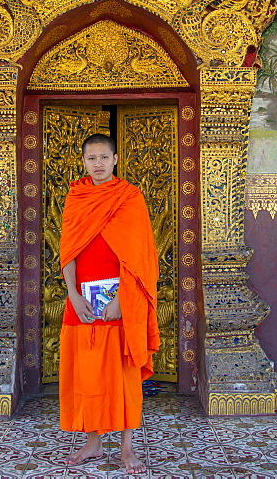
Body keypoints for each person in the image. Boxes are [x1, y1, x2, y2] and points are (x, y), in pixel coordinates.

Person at [60, 133, 159, 475]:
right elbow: (68, 250)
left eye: (104, 157)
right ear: (83, 161)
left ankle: (127, 449)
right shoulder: (77, 196)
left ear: (115, 159)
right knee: (86, 373)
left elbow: (140, 256)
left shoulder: (129, 197)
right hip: (82, 300)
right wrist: (72, 293)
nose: (98, 164)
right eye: (91, 158)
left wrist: (121, 298)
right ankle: (92, 443)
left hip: (122, 300)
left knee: (125, 373)